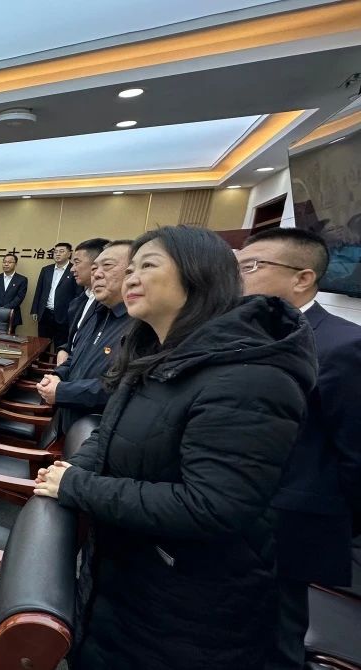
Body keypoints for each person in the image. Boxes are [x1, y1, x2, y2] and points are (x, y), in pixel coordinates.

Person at [34, 226, 316, 670]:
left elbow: (211, 506)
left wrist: (77, 486)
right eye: (130, 268)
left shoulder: (251, 375)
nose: (131, 278)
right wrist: (69, 470)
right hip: (123, 577)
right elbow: (107, 433)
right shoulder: (153, 350)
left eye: (147, 266)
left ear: (199, 275)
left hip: (190, 605)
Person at [239, 227, 361, 670]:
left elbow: (355, 453)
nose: (240, 277)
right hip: (235, 511)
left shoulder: (343, 345)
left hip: (291, 523)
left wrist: (337, 525)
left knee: (277, 640)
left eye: (252, 266)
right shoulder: (244, 333)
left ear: (302, 277)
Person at [36, 240, 132, 432]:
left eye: (107, 266)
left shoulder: (140, 326)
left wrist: (62, 391)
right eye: (95, 268)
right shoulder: (97, 312)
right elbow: (75, 356)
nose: (97, 274)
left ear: (134, 273)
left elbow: (122, 387)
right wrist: (57, 375)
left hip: (93, 430)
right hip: (67, 419)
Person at [57, 237, 109, 365]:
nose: (72, 269)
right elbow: (76, 339)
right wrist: (64, 350)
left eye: (77, 262)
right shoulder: (80, 301)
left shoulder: (109, 306)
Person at [30, 242, 78, 350]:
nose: (57, 254)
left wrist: (73, 314)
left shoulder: (74, 270)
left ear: (69, 254)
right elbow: (39, 290)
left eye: (61, 251)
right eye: (55, 252)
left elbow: (78, 295)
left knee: (60, 346)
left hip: (64, 315)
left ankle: (57, 362)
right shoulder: (46, 270)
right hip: (45, 313)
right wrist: (35, 310)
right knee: (42, 345)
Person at [0, 253, 28, 328]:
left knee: (10, 335)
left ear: (15, 264)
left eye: (9, 262)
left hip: (12, 314)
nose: (6, 264)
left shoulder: (22, 280)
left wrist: (5, 309)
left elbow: (19, 297)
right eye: (4, 262)